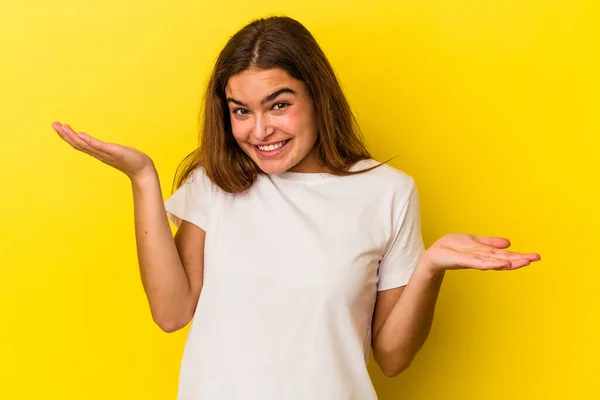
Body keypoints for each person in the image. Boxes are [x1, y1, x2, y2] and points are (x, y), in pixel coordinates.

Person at [52, 15, 541, 400]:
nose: (258, 130)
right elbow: (171, 311)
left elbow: (391, 357)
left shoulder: (388, 192)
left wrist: (430, 267)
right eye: (241, 110)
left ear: (316, 96)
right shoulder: (216, 183)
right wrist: (143, 179)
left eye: (278, 105)